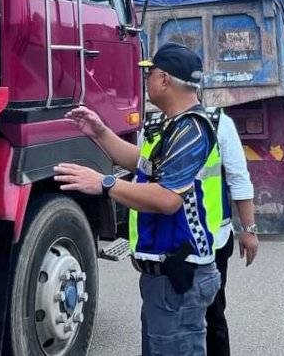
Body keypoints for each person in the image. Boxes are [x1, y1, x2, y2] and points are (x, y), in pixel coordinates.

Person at [54, 42, 222, 356]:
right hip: (163, 275)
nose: (145, 80)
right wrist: (100, 132)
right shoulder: (170, 126)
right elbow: (141, 163)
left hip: (179, 275)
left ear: (165, 80)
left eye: (150, 73)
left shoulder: (192, 130)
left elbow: (167, 198)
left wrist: (103, 183)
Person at [205, 108, 259, 356]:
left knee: (213, 315)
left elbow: (238, 178)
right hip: (169, 245)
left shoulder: (218, 124)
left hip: (212, 244)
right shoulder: (154, 126)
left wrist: (248, 230)